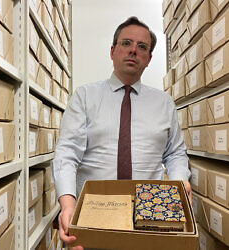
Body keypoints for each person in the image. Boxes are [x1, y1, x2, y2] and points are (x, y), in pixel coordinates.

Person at [52, 16, 191, 249]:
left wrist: (180, 181)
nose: (133, 51)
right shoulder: (84, 97)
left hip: (150, 219)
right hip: (93, 217)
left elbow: (175, 152)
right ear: (113, 51)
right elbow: (66, 154)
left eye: (142, 47)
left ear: (148, 59)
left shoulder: (164, 103)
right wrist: (68, 204)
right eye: (126, 43)